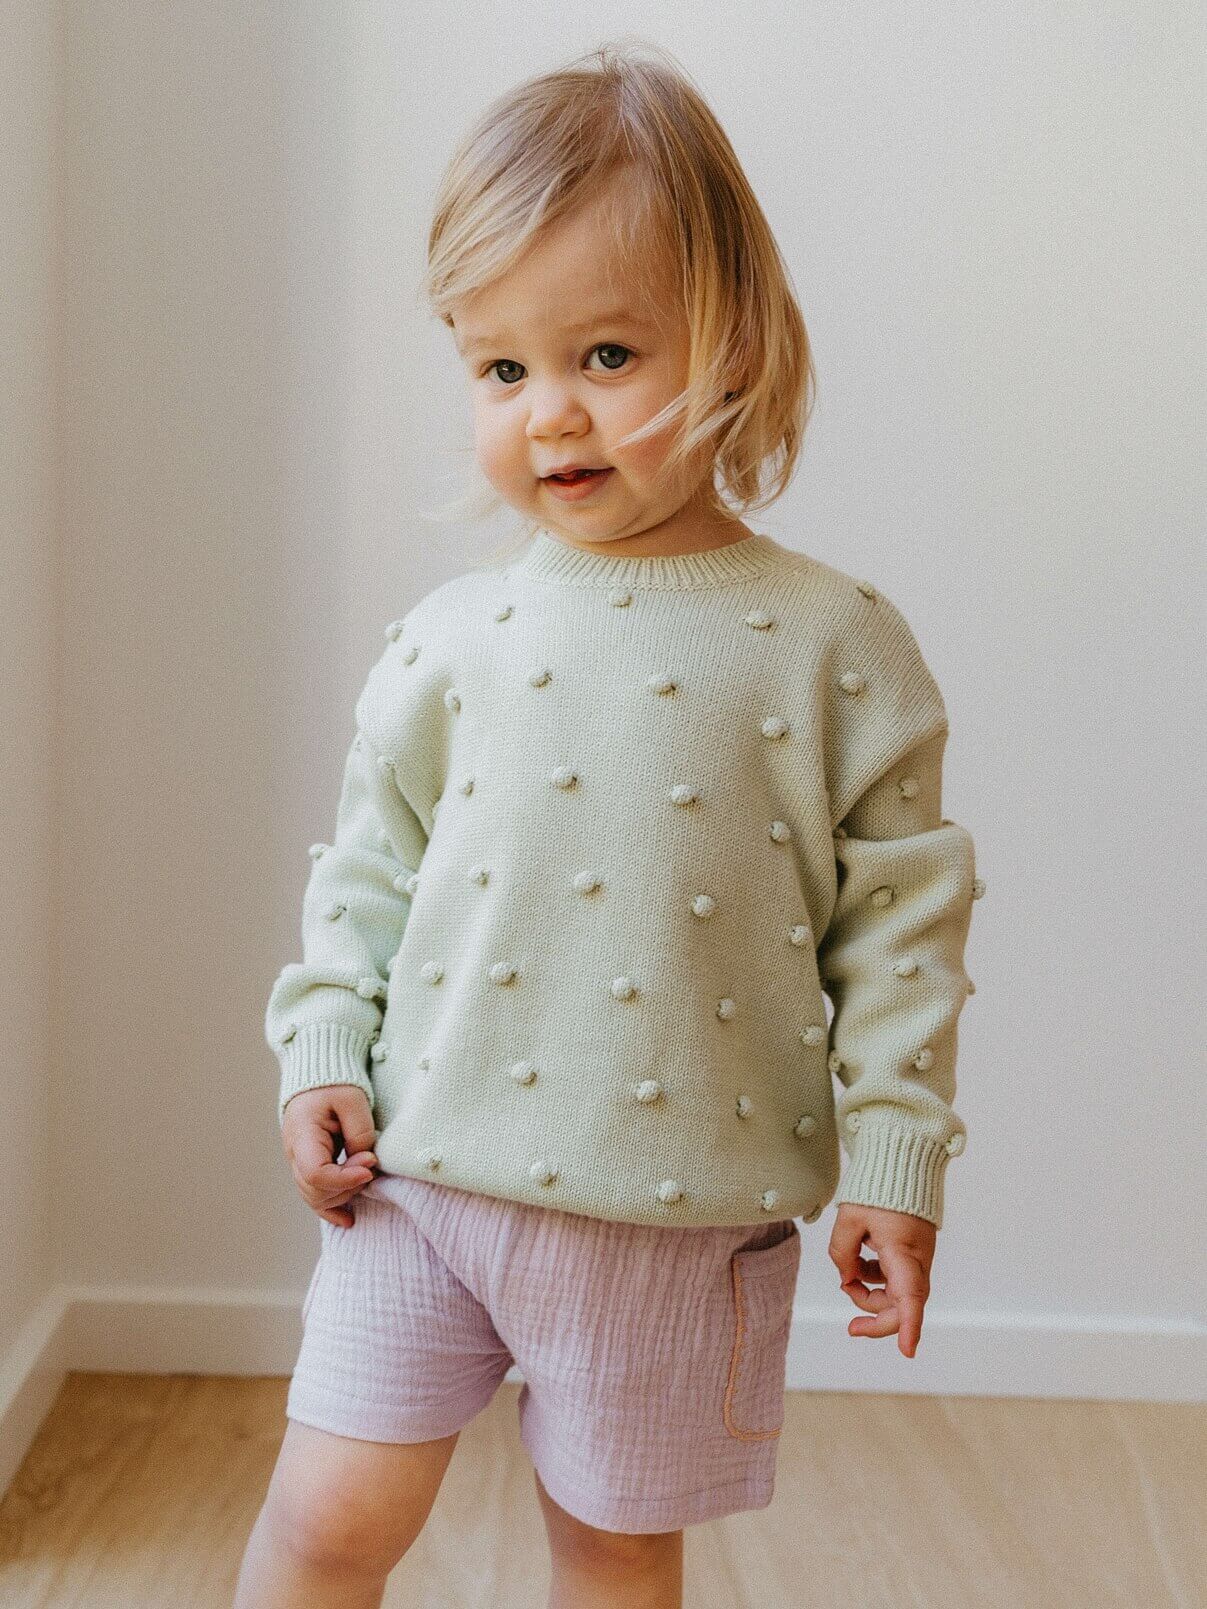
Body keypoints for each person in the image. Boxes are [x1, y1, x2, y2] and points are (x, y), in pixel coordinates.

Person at [235, 39, 982, 1609]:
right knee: (324, 1517)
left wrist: (894, 1159)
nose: (551, 415)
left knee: (616, 1553)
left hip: (676, 1216)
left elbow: (904, 927)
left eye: (607, 354)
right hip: (418, 1183)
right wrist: (323, 1051)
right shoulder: (450, 637)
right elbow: (365, 874)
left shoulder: (834, 642)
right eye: (502, 370)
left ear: (734, 342)